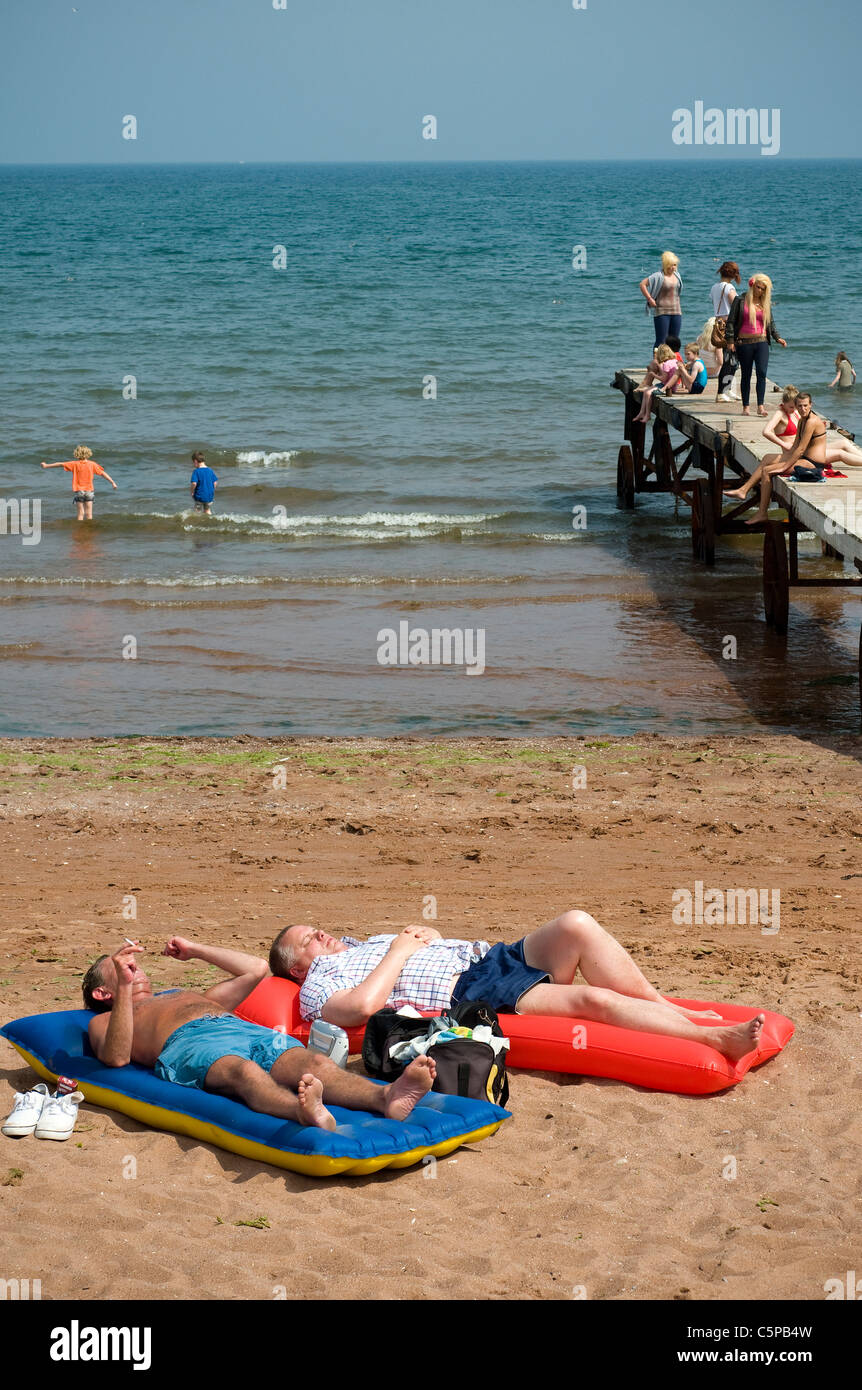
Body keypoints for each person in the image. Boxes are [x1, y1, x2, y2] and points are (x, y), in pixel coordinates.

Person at [269, 912, 765, 1065]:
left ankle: (668, 1008)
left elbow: (433, 938)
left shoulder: (363, 942)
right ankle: (712, 1040)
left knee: (577, 924)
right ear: (297, 969)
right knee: (589, 1001)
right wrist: (399, 951)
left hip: (490, 955)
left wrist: (418, 939)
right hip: (470, 990)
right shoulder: (322, 982)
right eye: (308, 940)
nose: (320, 933)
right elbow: (358, 1009)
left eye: (314, 927)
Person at [83, 938, 435, 1132]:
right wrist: (125, 987)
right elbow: (116, 1057)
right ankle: (302, 1112)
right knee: (244, 1073)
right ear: (102, 993)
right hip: (188, 1044)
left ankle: (386, 1096)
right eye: (119, 968)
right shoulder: (106, 1020)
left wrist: (195, 951)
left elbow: (257, 969)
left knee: (312, 1061)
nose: (133, 969)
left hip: (238, 1027)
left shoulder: (183, 996)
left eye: (132, 965)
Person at [724, 391, 862, 523]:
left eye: (805, 405)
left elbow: (801, 449)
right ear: (796, 406)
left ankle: (762, 513)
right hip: (804, 459)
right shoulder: (802, 420)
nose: (802, 409)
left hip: (813, 463)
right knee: (767, 459)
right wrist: (784, 458)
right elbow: (796, 445)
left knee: (767, 471)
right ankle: (744, 491)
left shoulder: (811, 421)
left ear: (811, 405)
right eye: (800, 406)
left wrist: (785, 465)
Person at [723, 274, 787, 417]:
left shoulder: (764, 303)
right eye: (758, 287)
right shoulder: (740, 300)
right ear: (752, 284)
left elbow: (770, 323)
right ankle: (746, 406)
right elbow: (731, 322)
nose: (760, 291)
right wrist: (730, 341)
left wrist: (778, 338)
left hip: (762, 342)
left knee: (762, 373)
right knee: (746, 374)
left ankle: (760, 406)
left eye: (763, 289)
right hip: (744, 343)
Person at [41, 445, 118, 521]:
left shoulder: (74, 464)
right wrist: (112, 482)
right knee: (89, 514)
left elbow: (61, 464)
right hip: (89, 491)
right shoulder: (92, 464)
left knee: (80, 513)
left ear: (76, 454)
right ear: (88, 454)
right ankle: (89, 530)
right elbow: (103, 473)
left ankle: (80, 530)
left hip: (79, 491)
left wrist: (46, 465)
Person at [640, 252, 683, 349]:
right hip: (662, 312)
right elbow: (642, 284)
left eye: (675, 265)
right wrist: (650, 299)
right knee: (661, 340)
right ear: (666, 265)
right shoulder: (658, 276)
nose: (673, 267)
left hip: (676, 311)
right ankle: (657, 362)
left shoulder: (677, 275)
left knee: (674, 340)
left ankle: (672, 363)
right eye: (671, 265)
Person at [632, 344, 684, 424]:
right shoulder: (675, 361)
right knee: (646, 391)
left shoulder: (666, 364)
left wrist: (653, 375)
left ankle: (647, 414)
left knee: (648, 393)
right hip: (672, 386)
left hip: (666, 387)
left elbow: (664, 378)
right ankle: (642, 413)